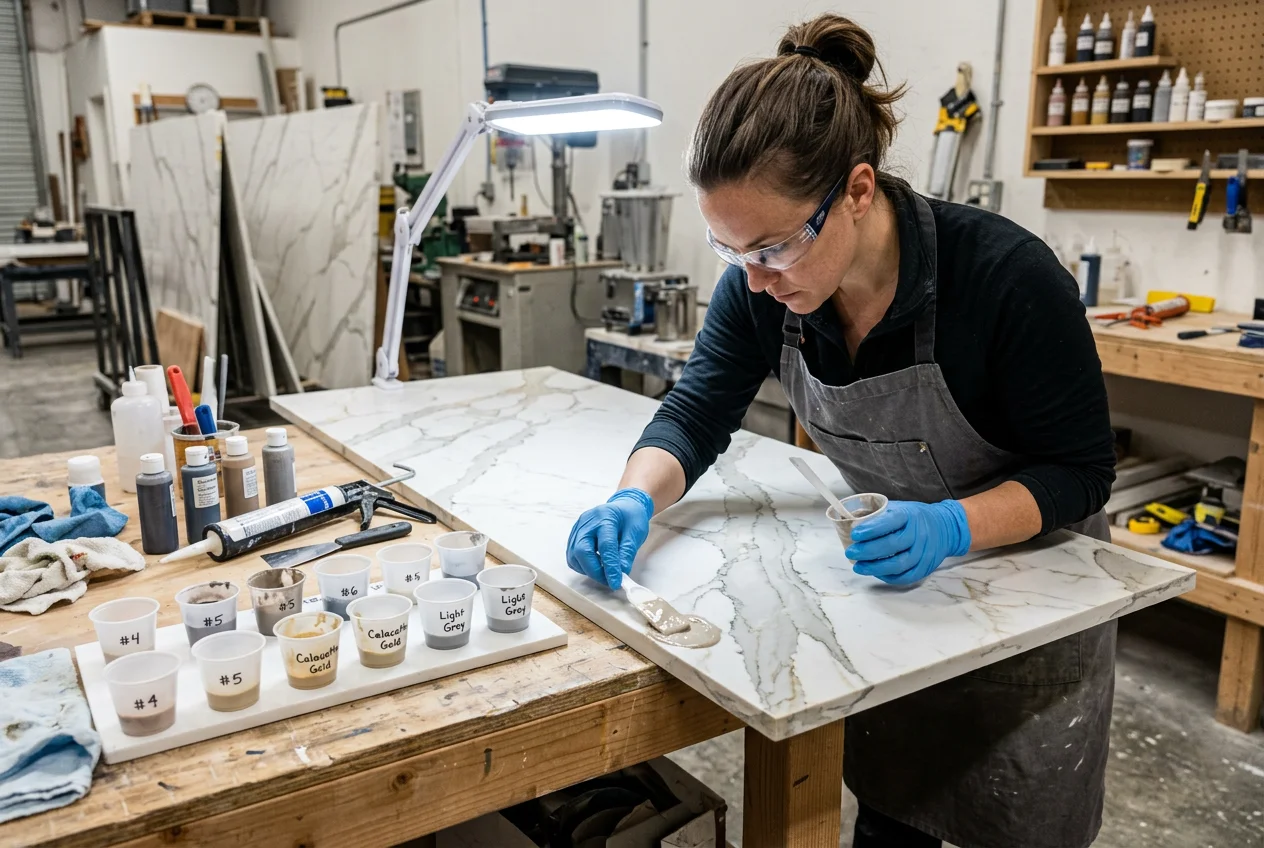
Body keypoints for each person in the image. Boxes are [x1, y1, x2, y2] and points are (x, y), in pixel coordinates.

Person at [564, 12, 1118, 848]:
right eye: (730, 252)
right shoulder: (765, 287)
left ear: (858, 191)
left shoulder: (1004, 279)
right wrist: (633, 498)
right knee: (892, 819)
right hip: (899, 606)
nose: (753, 279)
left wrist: (953, 524)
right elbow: (695, 411)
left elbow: (1082, 471)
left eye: (775, 248)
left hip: (1029, 606)